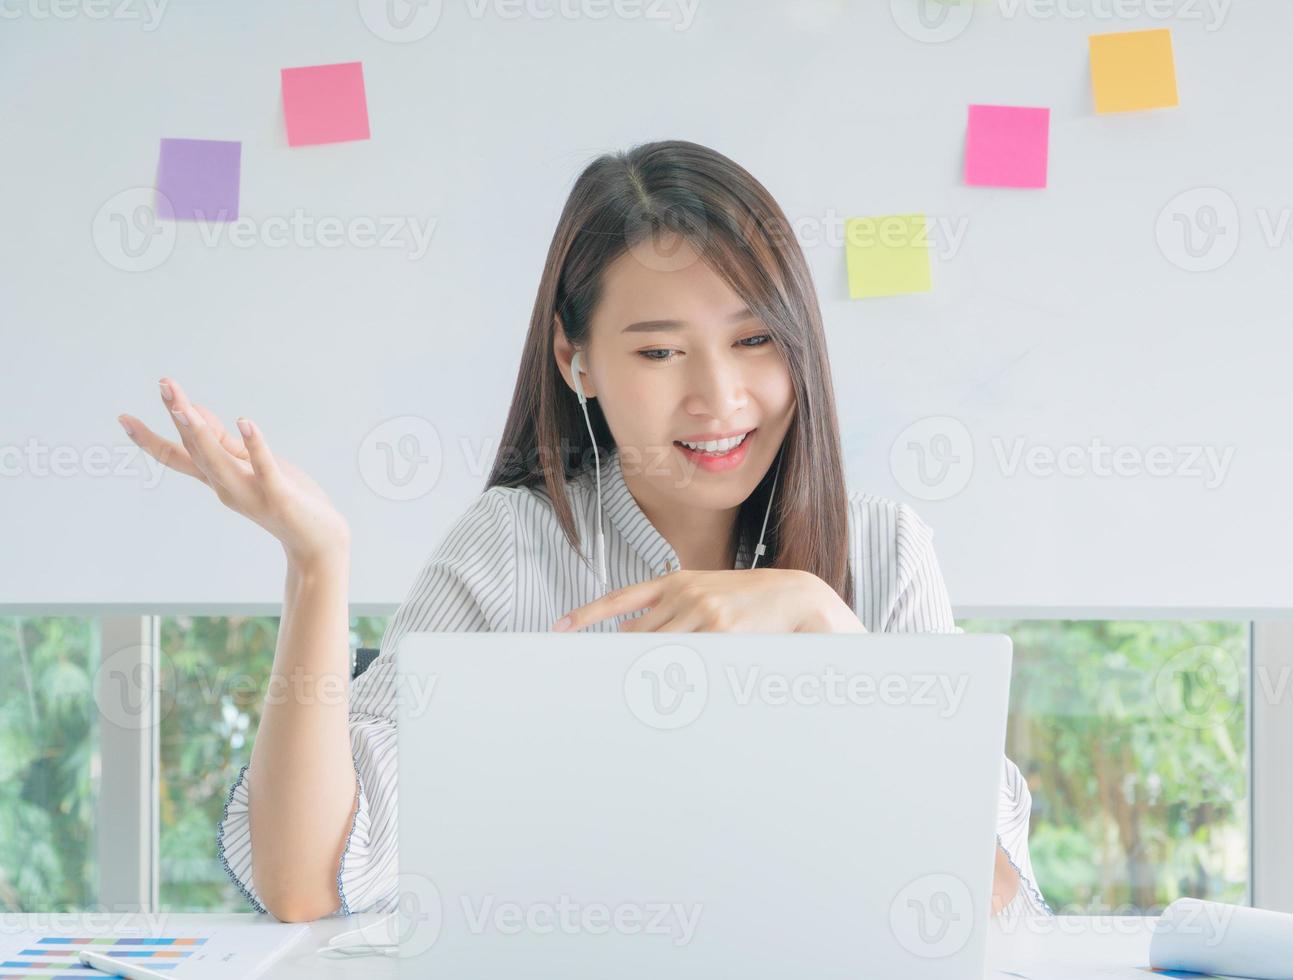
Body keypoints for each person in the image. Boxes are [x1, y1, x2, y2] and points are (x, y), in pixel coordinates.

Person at [118, 139, 1050, 924]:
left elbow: (990, 901)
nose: (719, 397)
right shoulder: (512, 547)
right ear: (577, 360)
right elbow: (302, 882)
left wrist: (826, 626)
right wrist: (316, 565)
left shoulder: (882, 552)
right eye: (657, 351)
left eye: (755, 339)